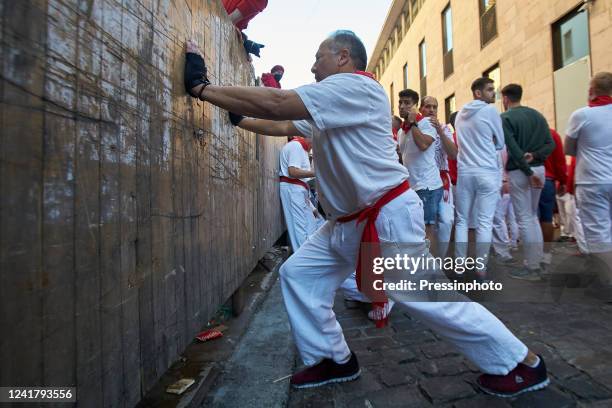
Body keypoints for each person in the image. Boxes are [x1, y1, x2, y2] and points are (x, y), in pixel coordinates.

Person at [184, 30, 548, 396]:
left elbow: (278, 104)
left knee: (429, 300)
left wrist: (203, 88)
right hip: (349, 222)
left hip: (384, 216)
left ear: (343, 57)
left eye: (318, 57)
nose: (312, 66)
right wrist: (236, 117)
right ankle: (332, 357)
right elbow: (279, 124)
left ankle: (520, 362)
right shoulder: (333, 102)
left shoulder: (356, 87)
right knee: (299, 274)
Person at [500, 84, 555, 280]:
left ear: (505, 98)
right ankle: (537, 262)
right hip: (538, 168)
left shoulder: (505, 118)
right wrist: (535, 156)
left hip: (521, 172)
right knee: (532, 217)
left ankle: (532, 267)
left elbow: (513, 148)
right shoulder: (537, 116)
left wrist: (526, 168)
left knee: (525, 218)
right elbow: (551, 144)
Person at [454, 77, 505, 279]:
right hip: (487, 171)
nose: (494, 92)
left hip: (465, 172)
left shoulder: (459, 116)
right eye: (490, 89)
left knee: (462, 221)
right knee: (484, 221)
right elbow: (500, 143)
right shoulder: (490, 111)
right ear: (478, 93)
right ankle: (480, 267)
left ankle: (458, 266)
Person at [565, 72, 612, 288]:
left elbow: (569, 148)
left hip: (592, 180)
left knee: (598, 232)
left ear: (592, 91)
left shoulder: (582, 115)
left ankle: (608, 282)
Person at [397, 90, 442, 246]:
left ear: (416, 107)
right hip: (410, 187)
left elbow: (423, 145)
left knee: (427, 231)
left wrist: (413, 122)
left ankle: (433, 269)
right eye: (400, 102)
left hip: (427, 186)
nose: (402, 106)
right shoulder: (401, 130)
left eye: (407, 103)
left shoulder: (426, 124)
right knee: (414, 231)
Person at [420, 96, 457, 258]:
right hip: (422, 181)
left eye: (435, 107)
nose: (432, 110)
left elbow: (453, 154)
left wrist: (440, 132)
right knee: (425, 224)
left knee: (447, 220)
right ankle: (426, 261)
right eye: (428, 106)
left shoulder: (445, 129)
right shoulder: (416, 128)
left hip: (442, 179)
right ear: (421, 109)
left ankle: (439, 261)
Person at [277, 136, 320, 251]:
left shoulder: (303, 149)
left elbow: (303, 181)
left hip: (299, 190)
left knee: (312, 225)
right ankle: (302, 260)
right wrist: (317, 173)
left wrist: (312, 208)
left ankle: (308, 256)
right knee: (299, 229)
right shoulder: (296, 146)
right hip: (292, 188)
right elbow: (293, 171)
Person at [540, 128, 567, 264]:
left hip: (528, 179)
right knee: (546, 218)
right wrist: (563, 181)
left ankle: (532, 257)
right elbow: (560, 160)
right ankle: (546, 256)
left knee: (528, 220)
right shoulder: (552, 134)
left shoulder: (523, 133)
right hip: (548, 180)